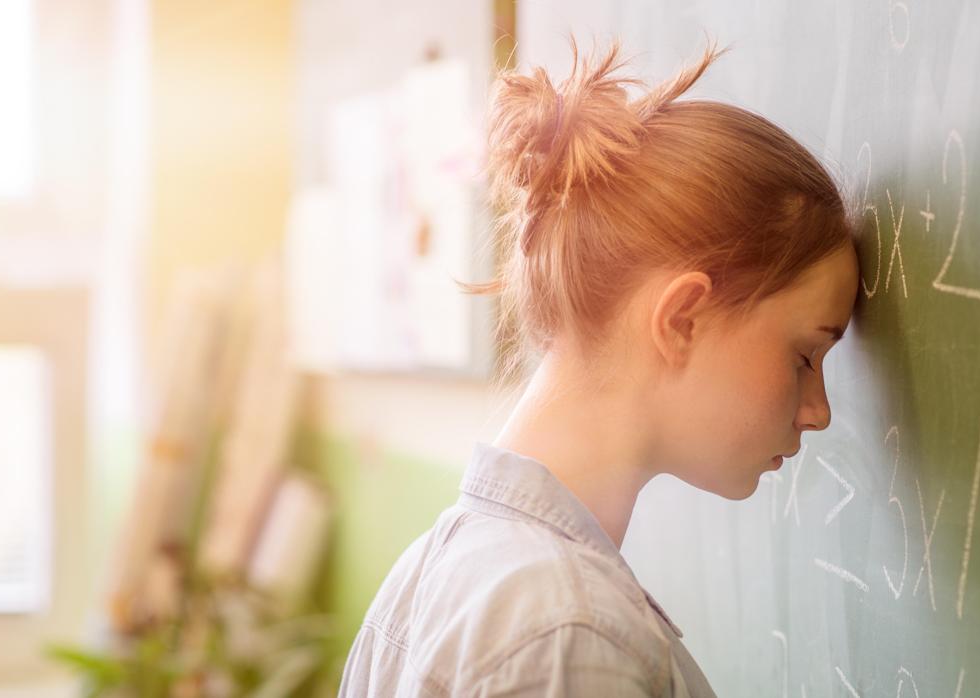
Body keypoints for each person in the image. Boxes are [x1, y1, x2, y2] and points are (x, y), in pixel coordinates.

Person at [337, 36, 859, 697]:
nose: (818, 411)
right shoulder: (569, 634)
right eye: (805, 356)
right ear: (681, 321)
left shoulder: (433, 569)